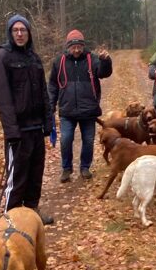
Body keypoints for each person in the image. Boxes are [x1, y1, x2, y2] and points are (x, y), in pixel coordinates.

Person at [0, 14, 54, 225]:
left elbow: (43, 92)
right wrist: (12, 131)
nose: (19, 34)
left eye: (23, 30)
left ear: (28, 33)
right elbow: (2, 98)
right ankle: (9, 222)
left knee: (36, 174)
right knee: (17, 178)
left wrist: (48, 122)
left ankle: (32, 212)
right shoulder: (3, 57)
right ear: (10, 33)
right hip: (19, 131)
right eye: (15, 30)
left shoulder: (34, 58)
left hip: (36, 128)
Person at [48, 29, 112, 182]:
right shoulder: (59, 62)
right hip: (67, 110)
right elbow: (52, 85)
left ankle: (85, 167)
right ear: (68, 47)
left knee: (88, 141)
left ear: (83, 46)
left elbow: (104, 73)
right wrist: (51, 105)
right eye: (73, 47)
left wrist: (105, 61)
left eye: (79, 47)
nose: (76, 50)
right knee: (66, 139)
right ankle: (66, 169)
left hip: (88, 110)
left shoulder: (92, 59)